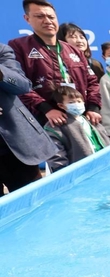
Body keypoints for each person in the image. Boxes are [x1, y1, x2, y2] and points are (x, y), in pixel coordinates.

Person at [8, 0, 102, 127]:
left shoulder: (73, 50)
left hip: (81, 119)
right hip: (44, 121)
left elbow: (92, 82)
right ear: (27, 19)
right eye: (40, 16)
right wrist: (46, 109)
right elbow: (19, 84)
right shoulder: (18, 46)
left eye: (51, 17)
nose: (47, 21)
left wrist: (93, 107)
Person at [0, 42, 57, 195]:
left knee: (36, 203)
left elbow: (23, 85)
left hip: (14, 147)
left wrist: (1, 73)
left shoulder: (2, 50)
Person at [44, 85, 110, 172]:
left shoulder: (89, 119)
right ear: (61, 105)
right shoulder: (56, 126)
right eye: (71, 102)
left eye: (79, 101)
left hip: (103, 165)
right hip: (82, 171)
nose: (77, 105)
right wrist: (63, 173)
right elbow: (56, 155)